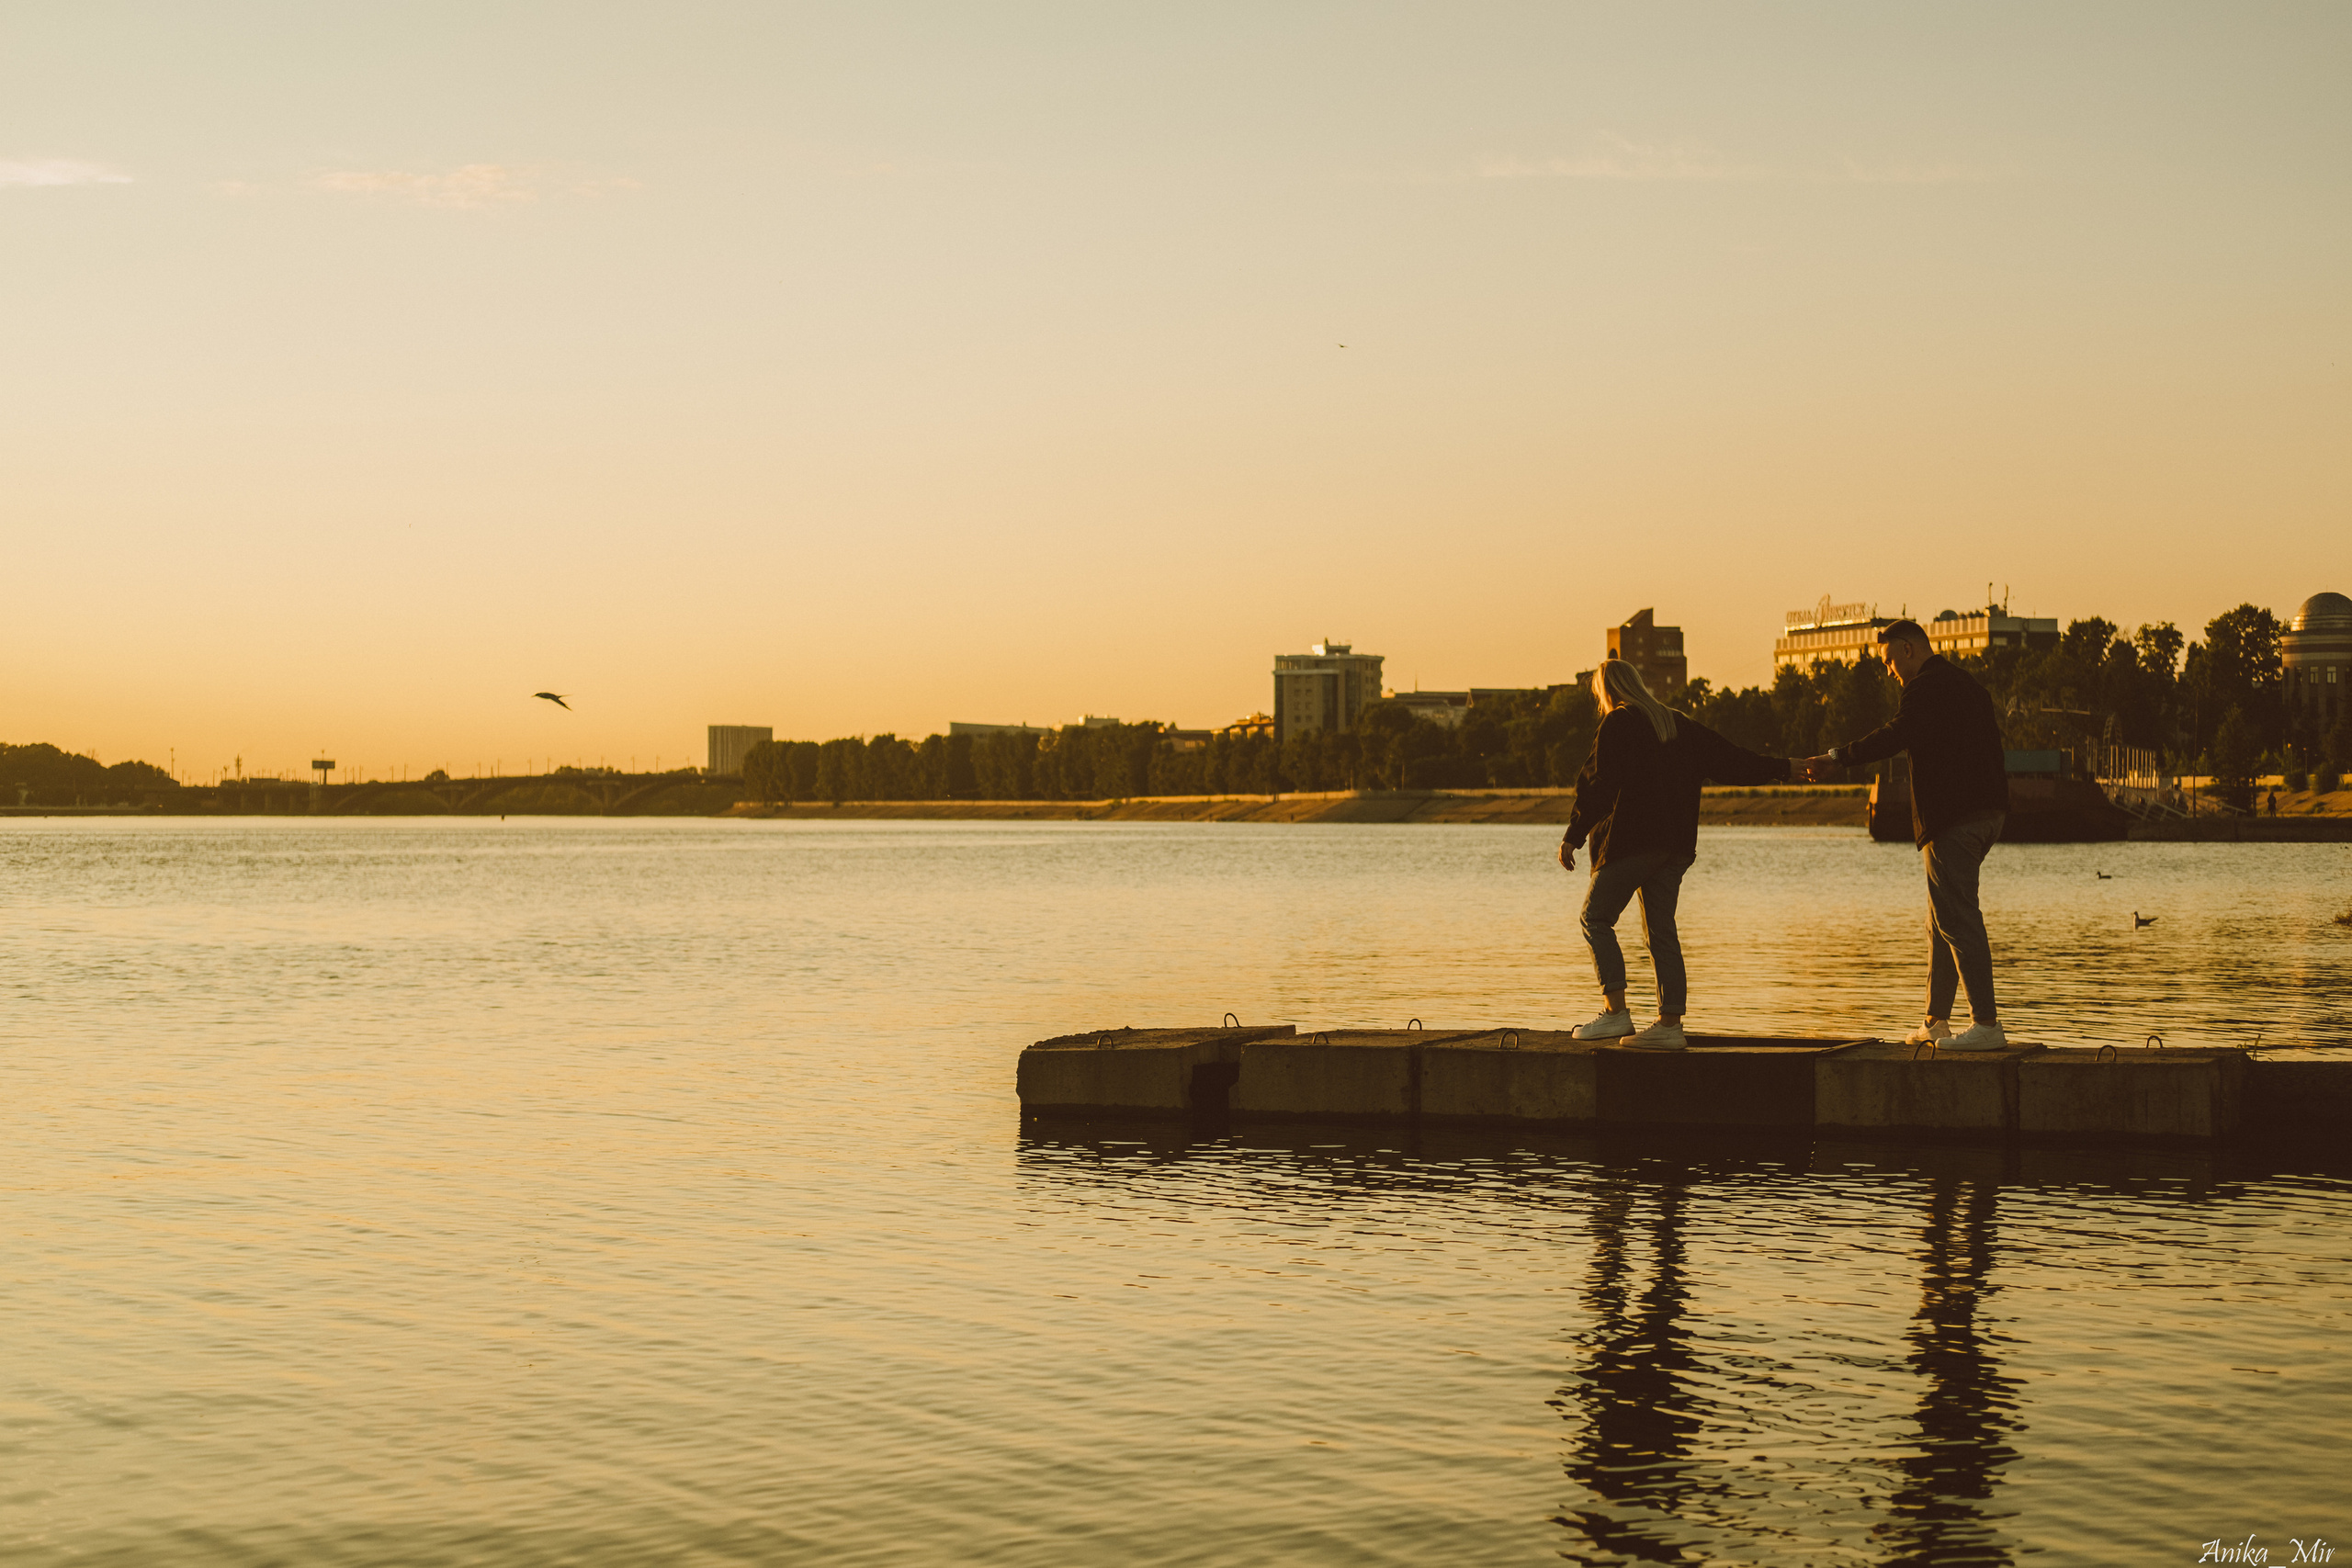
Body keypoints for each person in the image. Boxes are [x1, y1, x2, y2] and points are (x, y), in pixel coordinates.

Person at [1560, 660, 1795, 1050]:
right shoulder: (1678, 724)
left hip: (1633, 842)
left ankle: (1616, 1014)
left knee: (1595, 918)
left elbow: (1599, 784)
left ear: (1607, 690)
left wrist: (1574, 835)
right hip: (1675, 847)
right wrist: (1786, 767)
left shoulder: (1618, 723)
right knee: (1661, 931)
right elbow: (1733, 760)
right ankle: (1669, 1025)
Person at [1800, 620, 2009, 1050]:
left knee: (1957, 917)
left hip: (1953, 818)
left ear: (1910, 649)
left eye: (1890, 660)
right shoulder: (1969, 685)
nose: (1890, 670)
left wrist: (1838, 757)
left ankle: (1986, 1025)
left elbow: (1895, 735)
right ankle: (1936, 1021)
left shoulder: (1926, 688)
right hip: (1988, 813)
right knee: (1942, 918)